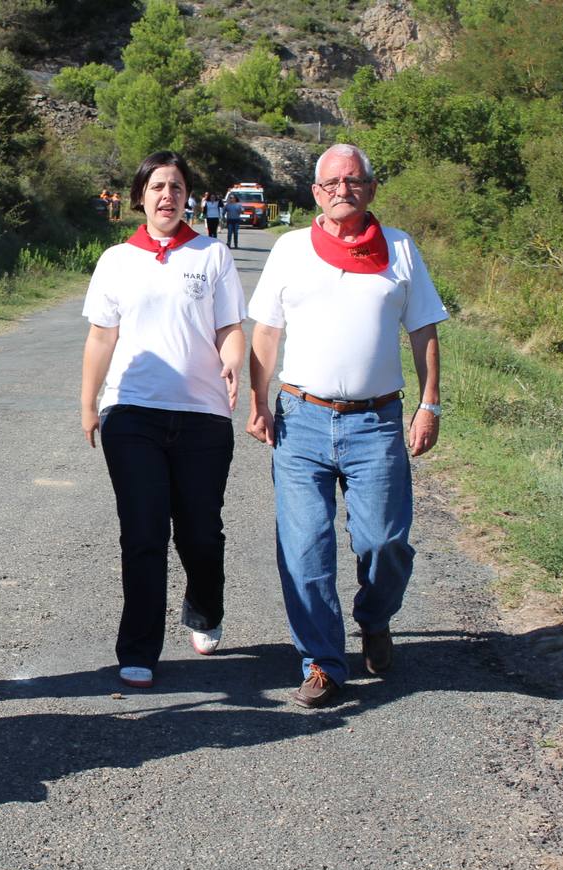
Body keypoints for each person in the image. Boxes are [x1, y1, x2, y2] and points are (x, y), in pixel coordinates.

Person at [245, 143, 446, 708]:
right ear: (315, 192)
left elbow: (424, 332)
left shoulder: (400, 250)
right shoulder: (289, 250)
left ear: (371, 189)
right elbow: (265, 333)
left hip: (376, 422)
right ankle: (323, 665)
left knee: (386, 543)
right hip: (301, 419)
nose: (342, 189)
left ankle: (374, 618)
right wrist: (257, 401)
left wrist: (429, 404)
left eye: (353, 180)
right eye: (331, 182)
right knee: (305, 547)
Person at [80, 150, 247, 689]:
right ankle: (139, 647)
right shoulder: (115, 260)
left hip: (201, 414)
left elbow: (230, 327)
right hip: (131, 413)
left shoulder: (213, 255)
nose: (166, 195)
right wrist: (88, 402)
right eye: (156, 186)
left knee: (200, 532)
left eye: (176, 186)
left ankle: (204, 608)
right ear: (140, 196)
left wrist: (231, 357)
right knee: (143, 532)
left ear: (188, 196)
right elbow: (102, 335)